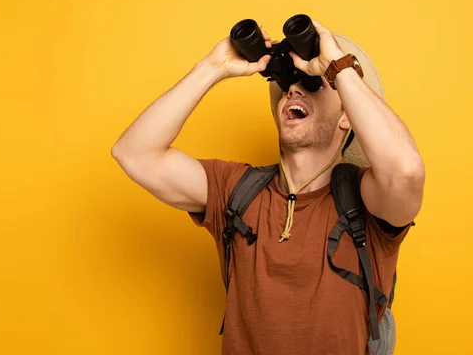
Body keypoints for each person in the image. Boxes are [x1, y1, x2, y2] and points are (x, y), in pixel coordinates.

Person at [111, 18, 425, 354]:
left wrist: (338, 67)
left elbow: (406, 172)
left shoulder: (367, 199)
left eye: (313, 84)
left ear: (348, 115)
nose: (293, 89)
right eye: (288, 84)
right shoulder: (236, 190)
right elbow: (134, 153)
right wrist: (213, 67)